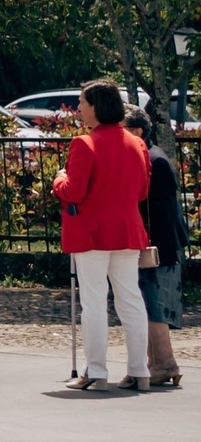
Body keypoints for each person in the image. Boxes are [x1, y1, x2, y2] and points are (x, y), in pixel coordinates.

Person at [52, 81, 150, 390]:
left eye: (82, 103)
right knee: (131, 300)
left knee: (94, 301)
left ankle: (95, 370)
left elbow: (74, 192)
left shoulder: (84, 143)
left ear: (96, 106)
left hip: (92, 232)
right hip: (127, 229)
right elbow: (143, 191)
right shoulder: (138, 143)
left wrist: (59, 181)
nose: (79, 109)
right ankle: (139, 369)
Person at [123, 108, 184, 389]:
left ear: (137, 132)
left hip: (157, 246)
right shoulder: (149, 155)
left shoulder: (154, 160)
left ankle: (164, 362)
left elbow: (161, 212)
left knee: (153, 305)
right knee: (148, 303)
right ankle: (158, 362)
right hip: (156, 242)